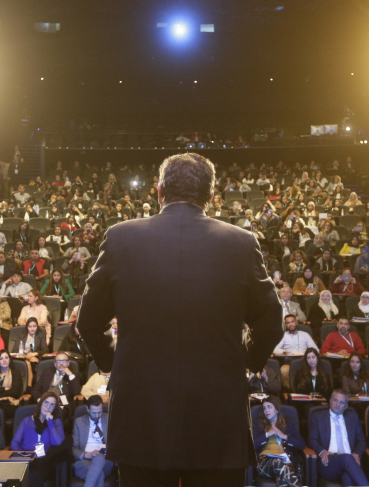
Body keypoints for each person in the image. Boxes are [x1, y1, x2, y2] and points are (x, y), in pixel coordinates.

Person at [77, 152, 282, 485]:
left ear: (159, 192)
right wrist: (243, 361)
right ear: (210, 197)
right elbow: (271, 322)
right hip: (218, 416)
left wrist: (117, 363)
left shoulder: (119, 237)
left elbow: (88, 321)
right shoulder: (242, 243)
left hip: (142, 415)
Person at [307, 390, 369, 486]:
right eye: (335, 400)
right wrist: (322, 451)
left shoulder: (352, 417)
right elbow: (312, 440)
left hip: (350, 462)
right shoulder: (318, 416)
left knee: (348, 477)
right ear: (330, 401)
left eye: (341, 402)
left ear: (346, 406)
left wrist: (356, 454)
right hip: (329, 462)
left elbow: (361, 441)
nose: (337, 404)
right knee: (347, 458)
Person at [11, 391, 67, 486]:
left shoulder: (56, 422)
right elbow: (15, 442)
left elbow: (57, 442)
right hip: (26, 459)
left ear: (55, 408)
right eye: (46, 403)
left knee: (34, 475)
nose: (48, 407)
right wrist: (23, 456)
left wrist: (50, 422)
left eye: (52, 405)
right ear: (41, 403)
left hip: (44, 461)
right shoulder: (27, 421)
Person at [252, 396, 305, 487]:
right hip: (263, 464)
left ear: (277, 409)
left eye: (269, 407)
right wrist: (267, 434)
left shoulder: (288, 424)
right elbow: (252, 445)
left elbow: (301, 444)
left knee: (283, 479)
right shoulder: (258, 424)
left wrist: (284, 436)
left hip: (286, 463)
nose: (266, 410)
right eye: (264, 408)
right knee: (278, 462)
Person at [73, 395, 115, 487]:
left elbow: (116, 444)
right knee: (98, 475)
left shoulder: (109, 419)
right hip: (84, 462)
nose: (97, 416)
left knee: (99, 457)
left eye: (100, 412)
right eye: (94, 413)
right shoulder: (79, 422)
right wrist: (86, 454)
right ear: (87, 409)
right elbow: (74, 448)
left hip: (105, 461)